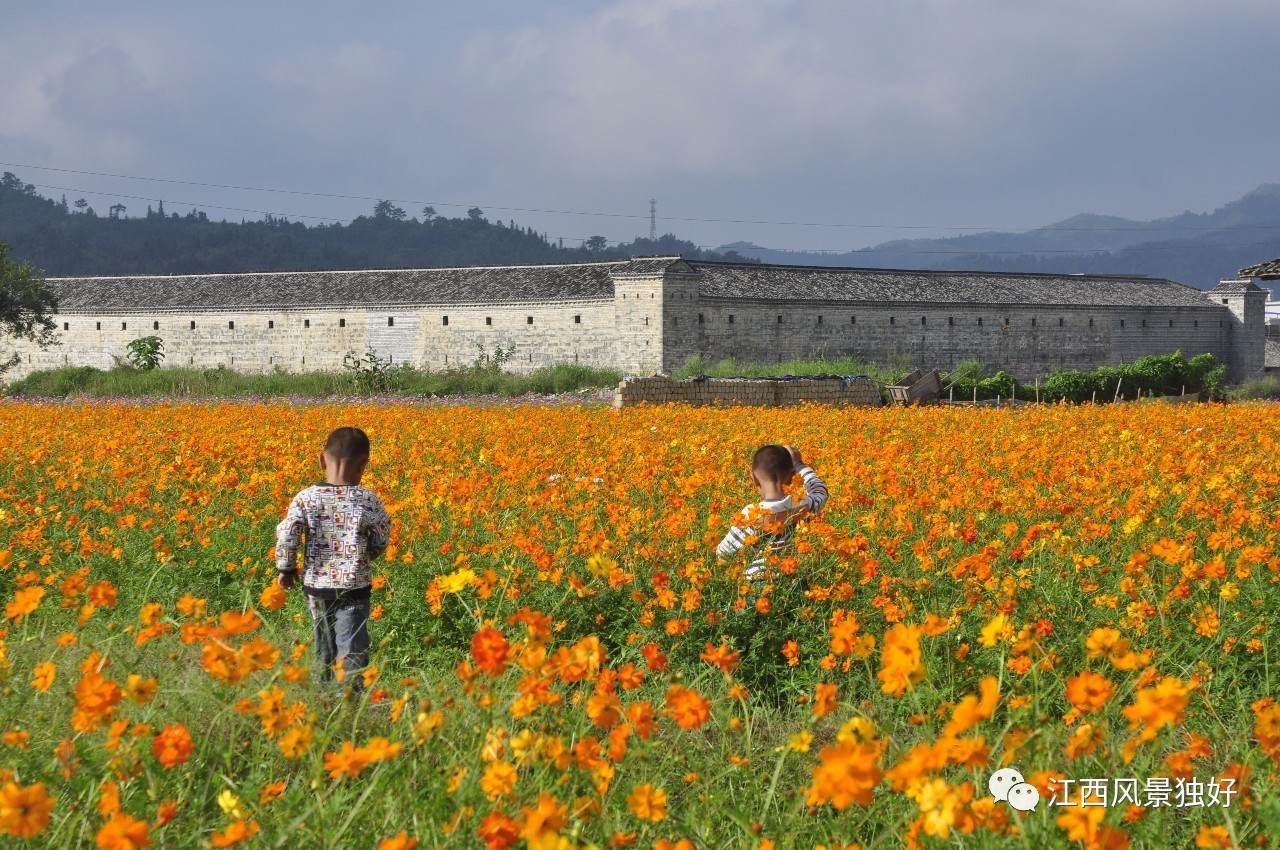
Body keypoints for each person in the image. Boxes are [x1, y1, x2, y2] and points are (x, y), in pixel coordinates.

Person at [276, 426, 391, 694]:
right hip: (355, 588)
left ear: (321, 460)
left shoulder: (306, 498)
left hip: (316, 588)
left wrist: (287, 568)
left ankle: (324, 696)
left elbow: (287, 533)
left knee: (324, 645)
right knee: (351, 646)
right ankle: (348, 701)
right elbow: (381, 538)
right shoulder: (368, 499)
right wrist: (366, 556)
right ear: (363, 465)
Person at [716, 444, 828, 580]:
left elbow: (723, 554)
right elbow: (820, 491)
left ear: (754, 479)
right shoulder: (803, 506)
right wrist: (799, 464)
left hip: (758, 586)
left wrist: (748, 554)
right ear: (793, 475)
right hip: (796, 582)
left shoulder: (752, 515)